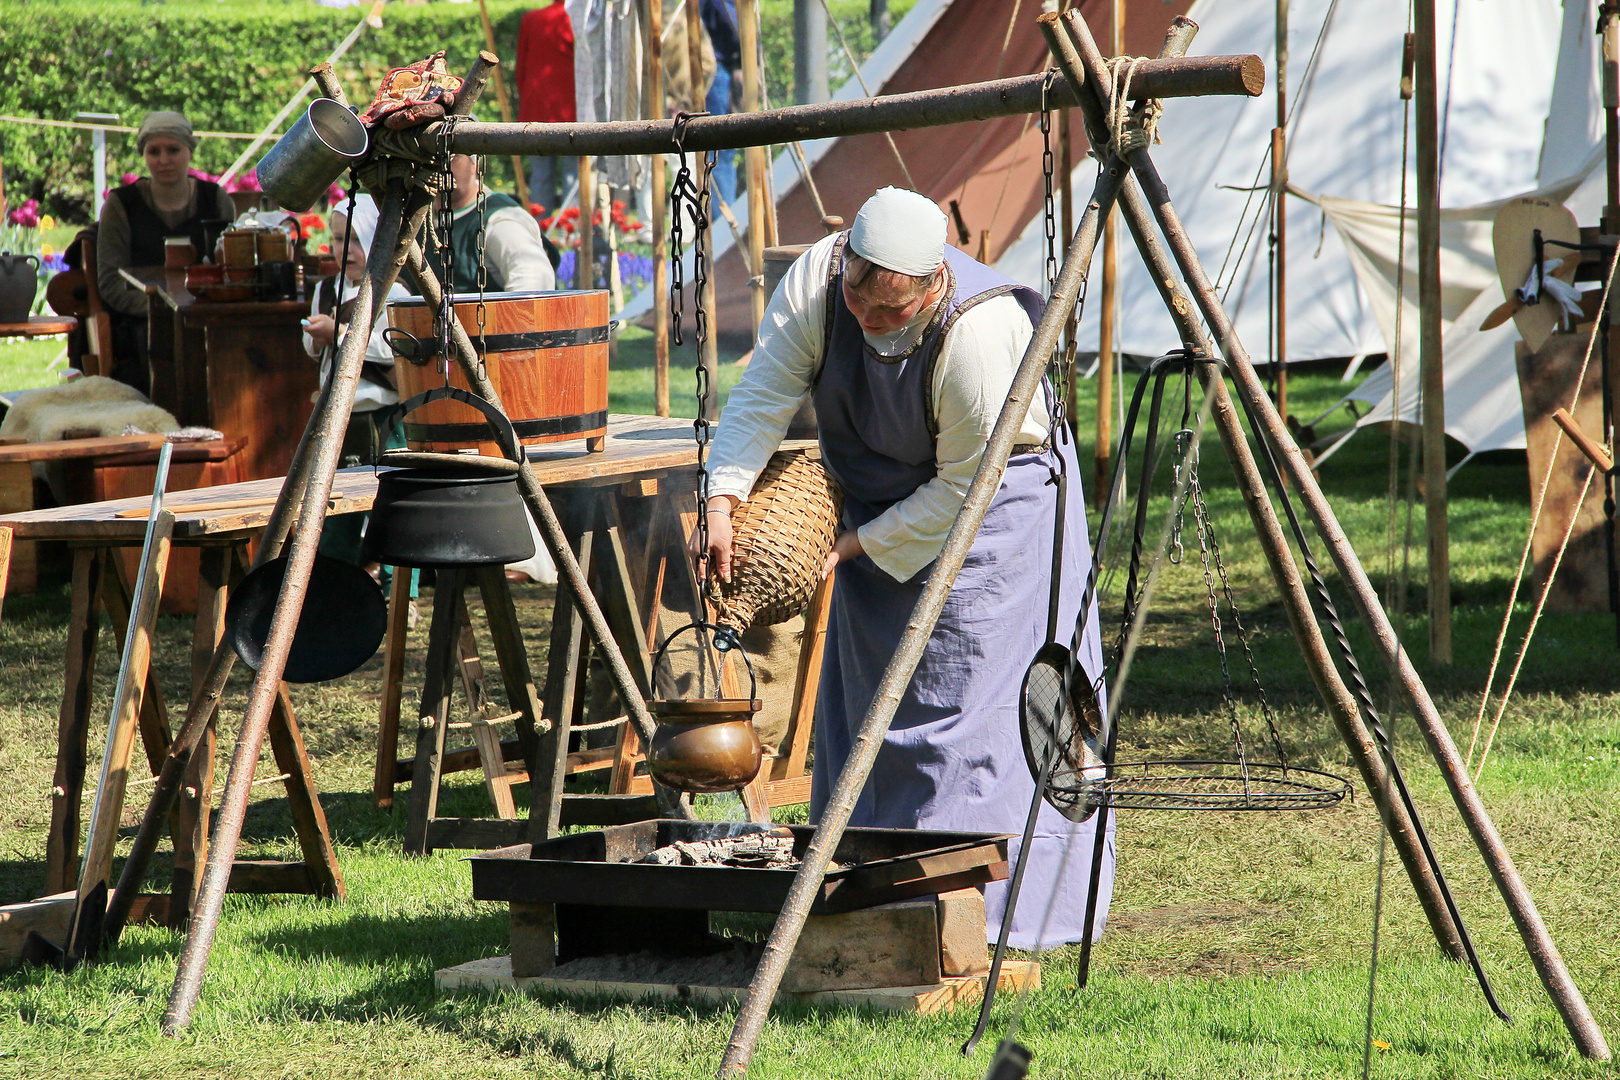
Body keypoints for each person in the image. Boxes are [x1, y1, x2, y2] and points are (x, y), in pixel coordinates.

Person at [695, 187, 1114, 947]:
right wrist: (722, 499)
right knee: (873, 714)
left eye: (891, 311)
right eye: (859, 296)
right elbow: (763, 395)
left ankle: (989, 917)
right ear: (847, 259)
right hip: (881, 510)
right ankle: (870, 900)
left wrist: (848, 547)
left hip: (995, 518)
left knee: (973, 719)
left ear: (932, 285)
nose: (869, 319)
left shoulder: (981, 333)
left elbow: (963, 487)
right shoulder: (820, 286)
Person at [301, 193, 412, 569]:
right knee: (336, 509)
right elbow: (314, 349)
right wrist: (317, 335)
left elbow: (392, 350)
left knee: (392, 511)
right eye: (335, 238)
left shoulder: (392, 290)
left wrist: (340, 333)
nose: (343, 248)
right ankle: (340, 589)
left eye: (351, 237)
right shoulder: (325, 290)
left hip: (381, 416)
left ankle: (399, 598)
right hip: (339, 415)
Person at [97, 110, 235, 394]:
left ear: (189, 151)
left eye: (173, 150)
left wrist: (198, 310)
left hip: (206, 320)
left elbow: (231, 266)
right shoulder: (121, 205)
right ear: (143, 154)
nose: (163, 160)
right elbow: (110, 282)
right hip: (140, 327)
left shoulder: (215, 199)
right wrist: (160, 310)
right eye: (154, 151)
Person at [426, 153, 557, 294]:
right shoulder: (416, 218)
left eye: (452, 158)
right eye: (432, 157)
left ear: (474, 165)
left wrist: (507, 315)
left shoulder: (501, 220)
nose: (439, 165)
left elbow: (533, 279)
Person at [517, 0, 580, 214]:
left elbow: (521, 69)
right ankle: (571, 231)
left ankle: (539, 228)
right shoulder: (577, 19)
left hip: (536, 108)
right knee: (573, 174)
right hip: (572, 110)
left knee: (541, 175)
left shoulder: (532, 19)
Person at [699, 0, 742, 204]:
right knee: (718, 152)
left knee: (717, 152)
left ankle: (722, 220)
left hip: (715, 70)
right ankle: (722, 223)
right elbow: (731, 22)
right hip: (714, 70)